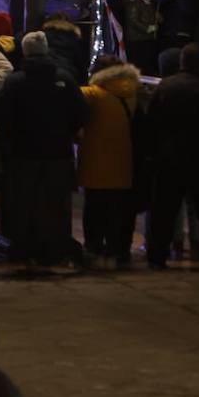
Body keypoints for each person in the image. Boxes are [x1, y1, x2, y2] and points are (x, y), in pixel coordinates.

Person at [0, 31, 88, 268]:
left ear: (25, 52)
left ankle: (26, 249)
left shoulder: (15, 82)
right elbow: (81, 113)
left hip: (24, 154)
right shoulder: (64, 79)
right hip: (58, 152)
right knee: (56, 203)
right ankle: (54, 248)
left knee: (24, 203)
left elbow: (2, 116)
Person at [147, 42, 199, 270]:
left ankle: (157, 256)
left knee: (164, 211)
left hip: (169, 158)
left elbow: (152, 123)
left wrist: (153, 154)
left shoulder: (165, 87)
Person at [77, 55, 142, 270]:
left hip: (95, 164)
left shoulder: (93, 94)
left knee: (94, 212)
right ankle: (115, 252)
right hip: (123, 164)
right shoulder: (133, 94)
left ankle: (94, 250)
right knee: (117, 212)